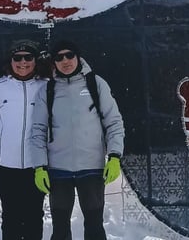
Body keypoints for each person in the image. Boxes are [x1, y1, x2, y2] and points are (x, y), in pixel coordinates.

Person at [31, 39, 125, 240]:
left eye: (69, 55)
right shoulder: (47, 91)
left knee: (94, 227)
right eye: (59, 57)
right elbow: (37, 131)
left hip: (91, 168)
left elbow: (114, 122)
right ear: (54, 62)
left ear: (78, 57)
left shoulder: (96, 84)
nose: (65, 60)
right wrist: (39, 166)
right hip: (58, 171)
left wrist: (115, 156)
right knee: (60, 230)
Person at [0, 39, 47, 240]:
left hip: (37, 163)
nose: (23, 62)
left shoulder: (46, 87)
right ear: (11, 61)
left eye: (28, 57)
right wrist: (3, 135)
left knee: (34, 213)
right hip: (5, 164)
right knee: (11, 214)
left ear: (35, 60)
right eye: (17, 58)